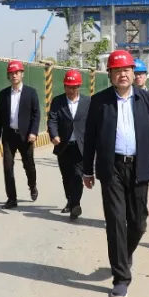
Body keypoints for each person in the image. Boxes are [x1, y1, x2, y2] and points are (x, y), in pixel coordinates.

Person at [83, 49, 149, 297]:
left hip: (139, 167)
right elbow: (90, 139)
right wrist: (87, 169)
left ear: (133, 73)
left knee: (138, 222)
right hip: (112, 168)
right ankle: (121, 278)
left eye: (127, 70)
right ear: (109, 74)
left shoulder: (147, 100)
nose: (123, 74)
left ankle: (124, 253)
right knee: (116, 222)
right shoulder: (99, 102)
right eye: (117, 70)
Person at [0, 60, 41, 209]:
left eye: (16, 73)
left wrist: (33, 132)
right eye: (11, 73)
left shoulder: (31, 92)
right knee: (7, 167)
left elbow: (36, 114)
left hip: (26, 136)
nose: (14, 76)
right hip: (9, 136)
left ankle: (32, 186)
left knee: (29, 165)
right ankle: (12, 198)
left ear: (22, 74)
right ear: (8, 76)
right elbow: (0, 115)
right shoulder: (4, 94)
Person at [47, 69, 90, 220]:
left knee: (78, 176)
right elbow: (52, 120)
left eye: (74, 87)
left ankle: (75, 205)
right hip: (64, 146)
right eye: (69, 87)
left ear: (79, 86)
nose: (71, 90)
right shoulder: (57, 101)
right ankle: (70, 201)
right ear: (64, 86)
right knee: (66, 176)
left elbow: (92, 123)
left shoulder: (87, 102)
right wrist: (54, 135)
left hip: (80, 146)